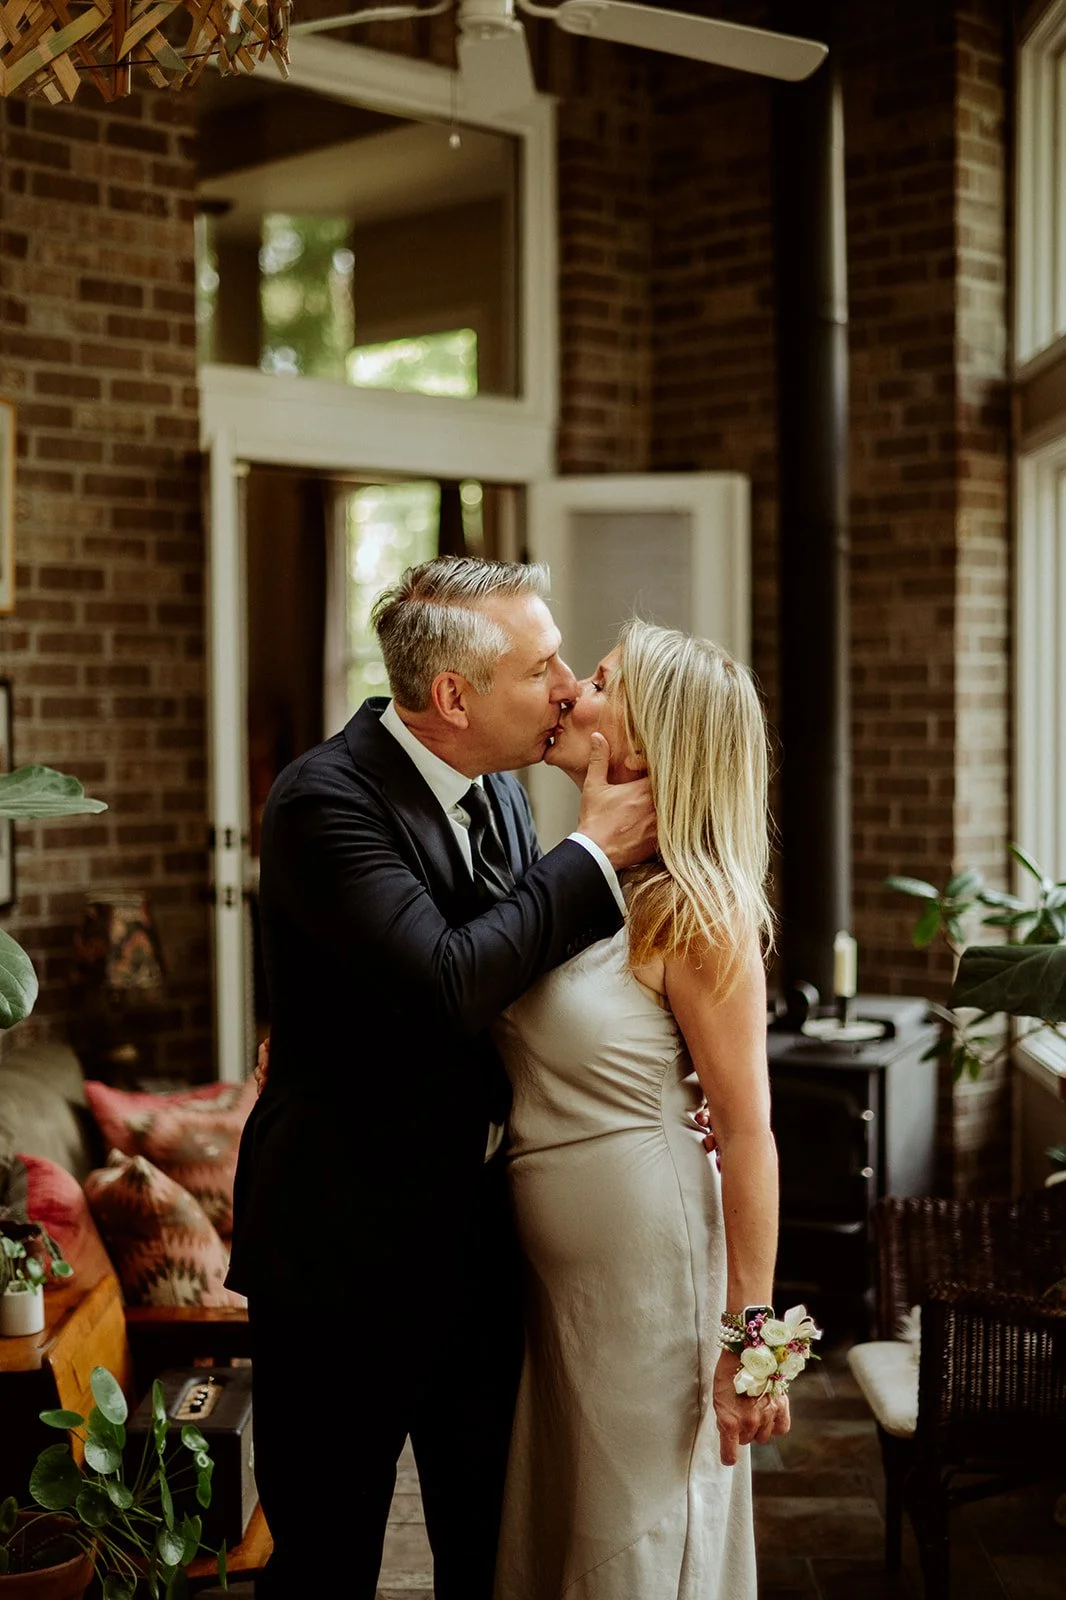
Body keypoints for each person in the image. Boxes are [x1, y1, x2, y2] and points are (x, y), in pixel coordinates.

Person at [226, 556, 657, 1600]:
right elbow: (446, 983)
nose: (565, 683)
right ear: (454, 696)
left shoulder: (502, 799)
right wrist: (594, 852)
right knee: (325, 1562)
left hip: (482, 1248)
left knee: (488, 1552)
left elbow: (527, 990)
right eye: (541, 664)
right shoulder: (322, 799)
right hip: (341, 1261)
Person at [492, 618, 789, 1600]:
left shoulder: (694, 908)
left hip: (652, 1280)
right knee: (571, 1520)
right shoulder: (576, 875)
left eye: (604, 681)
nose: (571, 688)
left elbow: (748, 1132)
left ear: (653, 741)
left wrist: (753, 1347)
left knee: (639, 1534)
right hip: (563, 1295)